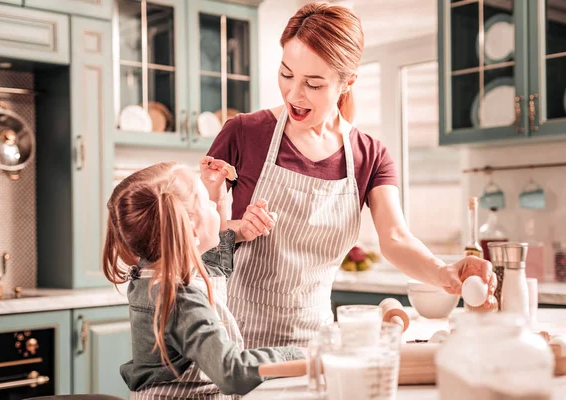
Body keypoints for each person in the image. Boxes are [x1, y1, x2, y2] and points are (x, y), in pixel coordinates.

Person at [207, 1, 497, 349]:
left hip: (314, 347)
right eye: (286, 75)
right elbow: (191, 239)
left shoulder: (369, 156)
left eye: (313, 84)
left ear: (347, 82)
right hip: (231, 344)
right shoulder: (242, 133)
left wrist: (444, 273)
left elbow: (396, 239)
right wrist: (236, 228)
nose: (294, 95)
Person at [102, 157, 305, 399]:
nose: (213, 207)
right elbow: (232, 372)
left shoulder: (153, 269)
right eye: (206, 204)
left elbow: (210, 264)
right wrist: (302, 355)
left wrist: (217, 198)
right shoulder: (180, 298)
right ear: (191, 230)